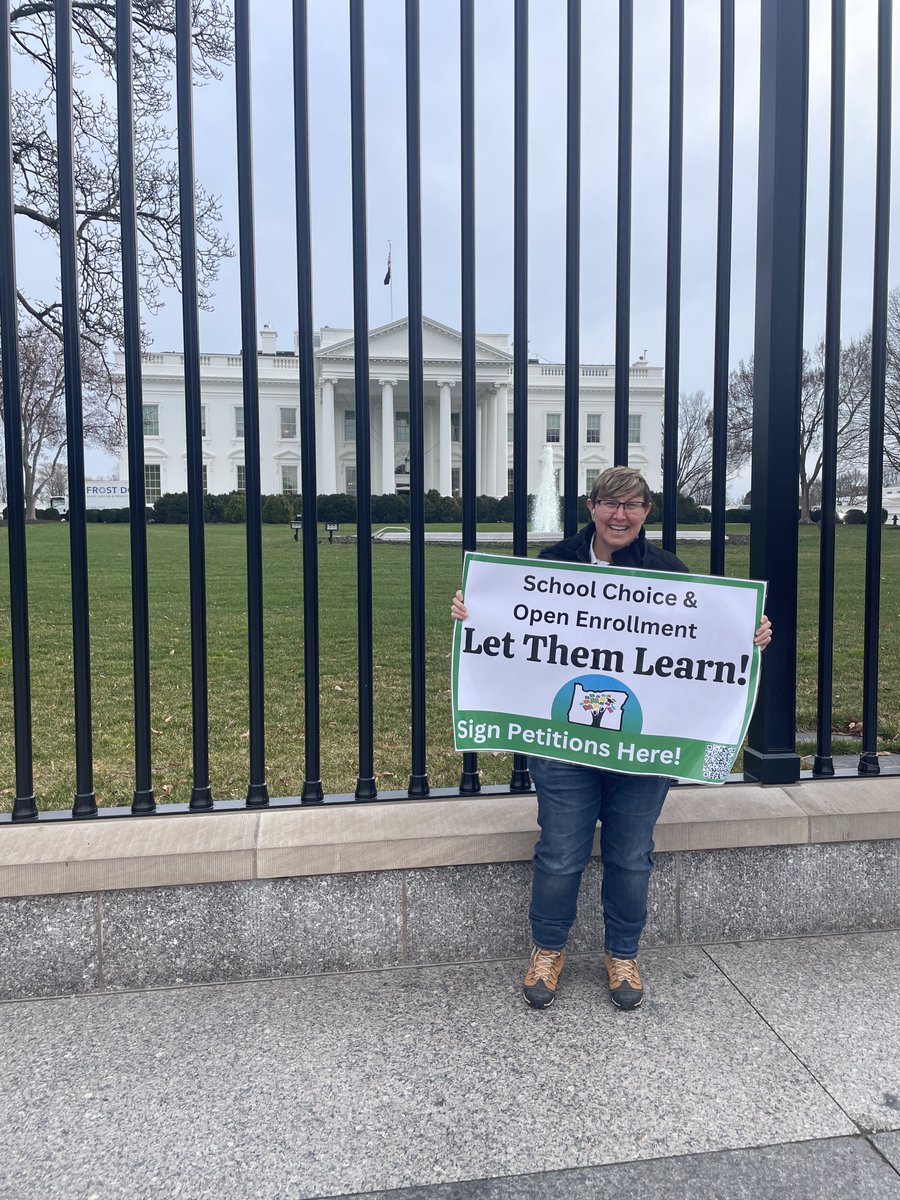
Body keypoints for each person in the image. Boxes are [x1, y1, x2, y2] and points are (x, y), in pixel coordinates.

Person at [451, 466, 772, 1011]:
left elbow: (698, 647)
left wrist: (747, 638)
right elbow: (518, 636)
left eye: (633, 505)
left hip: (640, 749)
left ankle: (622, 954)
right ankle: (548, 949)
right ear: (591, 507)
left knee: (630, 856)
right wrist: (474, 614)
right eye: (610, 504)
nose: (620, 515)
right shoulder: (551, 567)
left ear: (647, 512)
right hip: (564, 747)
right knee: (559, 854)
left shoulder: (671, 573)